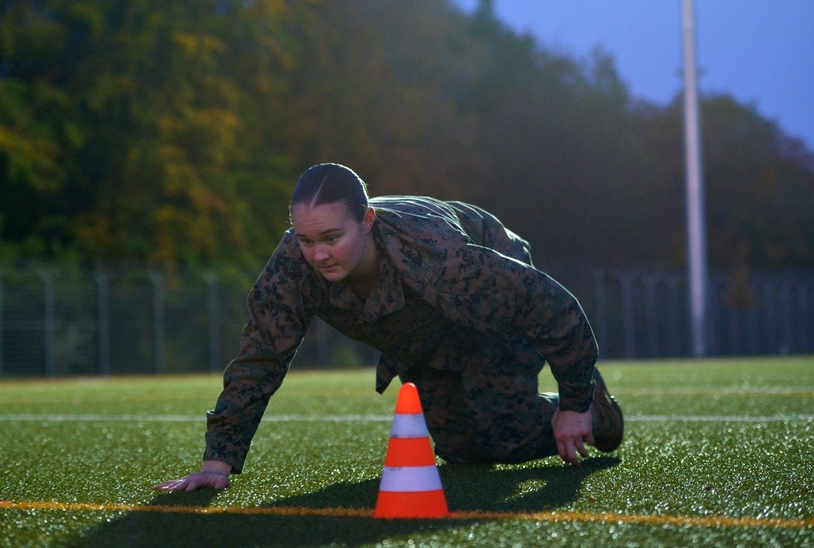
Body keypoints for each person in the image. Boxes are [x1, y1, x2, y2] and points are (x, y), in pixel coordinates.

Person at [155, 163, 623, 493]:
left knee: (504, 431)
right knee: (464, 450)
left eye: (332, 238)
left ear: (368, 222)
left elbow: (552, 307)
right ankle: (548, 411)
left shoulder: (440, 255)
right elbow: (260, 356)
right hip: (421, 337)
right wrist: (218, 460)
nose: (318, 254)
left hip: (488, 314)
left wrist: (575, 401)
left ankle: (596, 411)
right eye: (306, 239)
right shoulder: (293, 267)